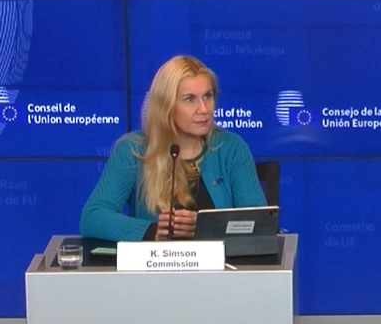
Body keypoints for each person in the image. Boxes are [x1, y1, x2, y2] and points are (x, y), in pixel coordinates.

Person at [80, 55, 266, 241]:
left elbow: (258, 223)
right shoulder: (133, 150)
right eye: (189, 99)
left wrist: (206, 227)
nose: (204, 109)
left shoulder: (231, 148)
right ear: (166, 105)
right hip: (156, 260)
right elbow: (92, 217)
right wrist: (151, 232)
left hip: (222, 260)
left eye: (207, 96)